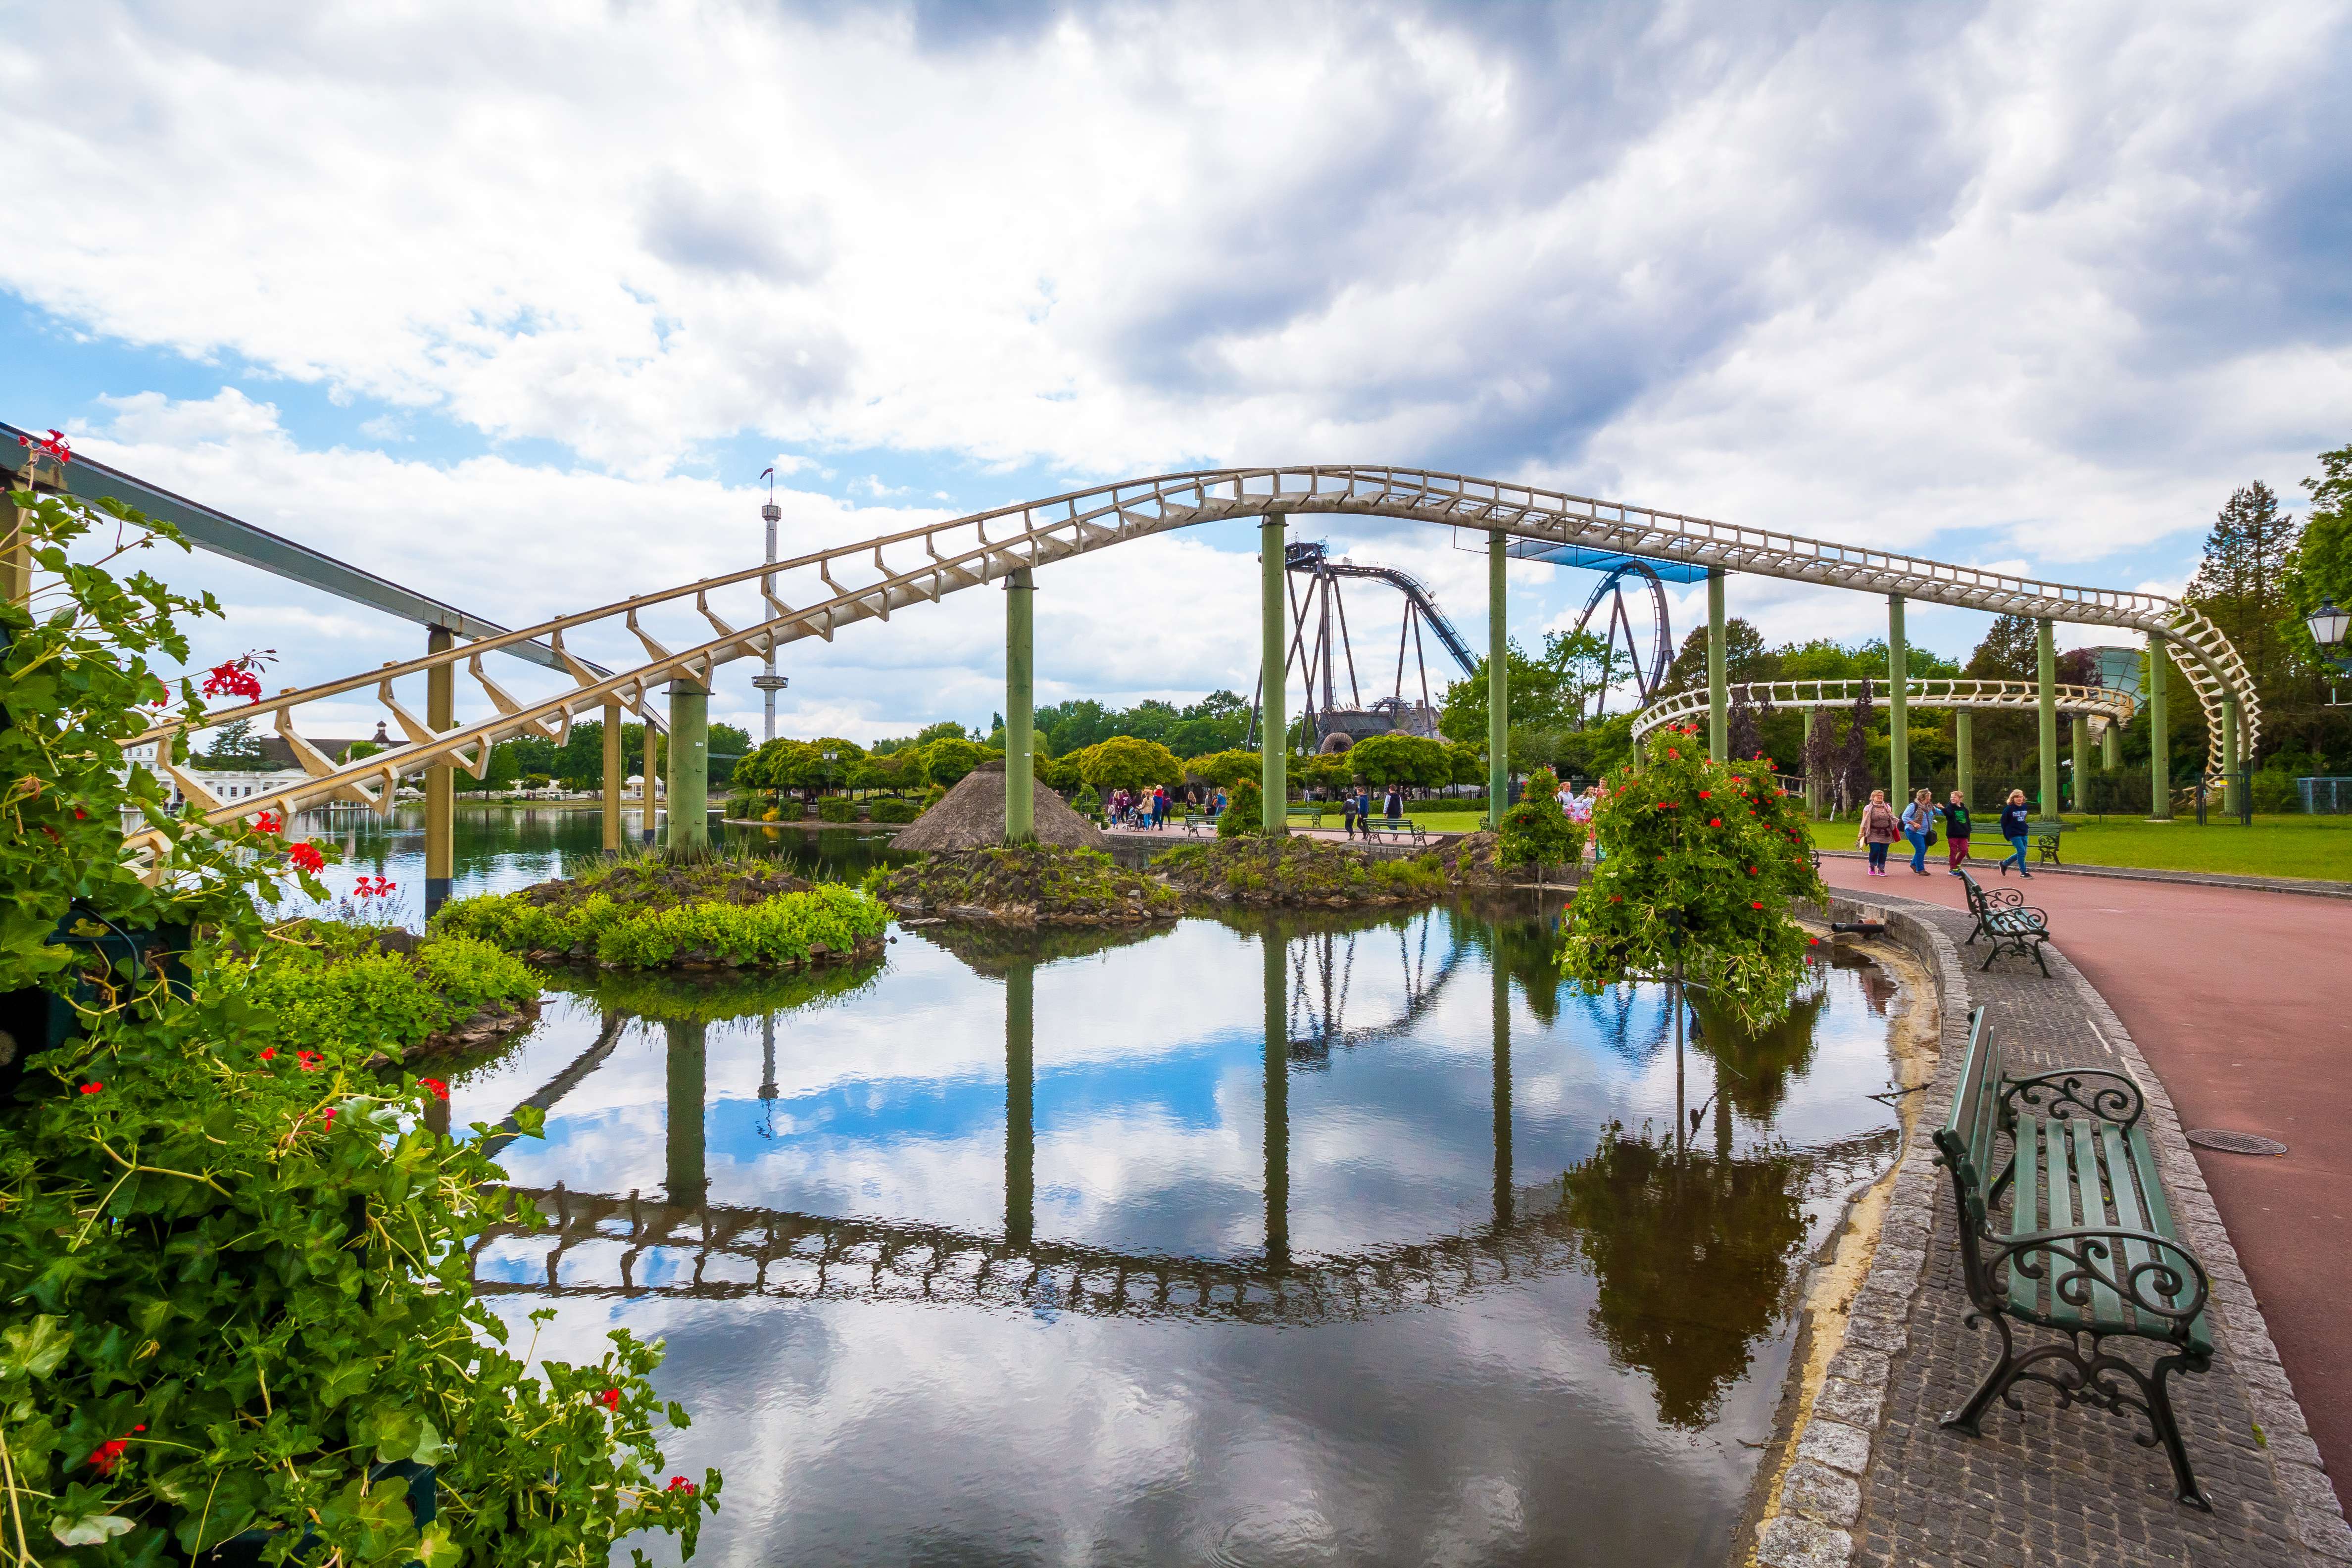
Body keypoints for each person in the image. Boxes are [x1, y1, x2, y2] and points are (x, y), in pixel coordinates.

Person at [1856, 788, 1900, 876]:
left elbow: (1892, 818)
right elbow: (1864, 821)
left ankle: (1881, 869)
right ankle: (1872, 866)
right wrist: (1861, 833)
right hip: (1873, 832)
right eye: (1878, 796)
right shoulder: (1868, 808)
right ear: (1873, 797)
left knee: (1884, 852)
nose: (1880, 797)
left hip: (1886, 833)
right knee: (1876, 850)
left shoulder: (1887, 807)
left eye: (1882, 796)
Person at [1900, 786, 1941, 876]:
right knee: (1921, 848)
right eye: (1929, 796)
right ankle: (1921, 869)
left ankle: (1914, 864)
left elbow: (1940, 812)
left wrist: (1947, 810)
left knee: (1924, 849)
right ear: (1924, 797)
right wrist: (1914, 824)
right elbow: (1905, 817)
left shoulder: (1930, 806)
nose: (1930, 797)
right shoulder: (1913, 806)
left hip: (1926, 833)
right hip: (1913, 831)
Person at [1998, 788, 2032, 877]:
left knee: (2023, 853)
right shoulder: (2009, 809)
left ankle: (2004, 864)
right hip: (2013, 833)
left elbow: (2023, 819)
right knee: (2021, 852)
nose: (2019, 799)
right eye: (2017, 797)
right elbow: (2003, 822)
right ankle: (2024, 872)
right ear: (2013, 799)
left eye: (2020, 797)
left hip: (2023, 833)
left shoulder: (2025, 807)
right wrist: (2006, 834)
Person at [1945, 789, 1972, 874]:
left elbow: (1967, 822)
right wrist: (1943, 808)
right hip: (1953, 834)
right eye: (1951, 797)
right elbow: (1948, 815)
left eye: (1955, 797)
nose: (1952, 799)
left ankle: (1957, 864)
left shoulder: (1965, 810)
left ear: (1960, 799)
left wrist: (1968, 831)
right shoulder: (1949, 808)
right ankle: (1952, 869)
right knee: (1953, 851)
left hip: (1963, 834)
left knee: (1964, 851)